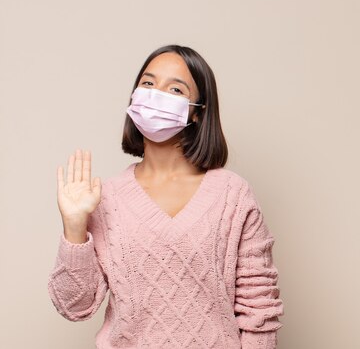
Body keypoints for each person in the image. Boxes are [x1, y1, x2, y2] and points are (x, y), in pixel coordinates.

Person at [48, 45, 284, 349]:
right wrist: (74, 226)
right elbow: (74, 306)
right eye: (147, 83)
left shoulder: (232, 195)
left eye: (175, 88)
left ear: (198, 112)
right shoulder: (106, 199)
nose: (155, 94)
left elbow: (259, 307)